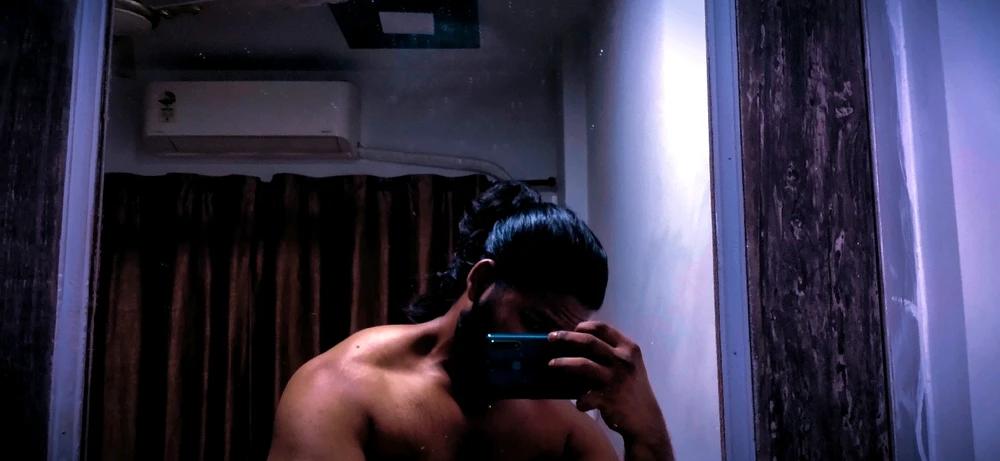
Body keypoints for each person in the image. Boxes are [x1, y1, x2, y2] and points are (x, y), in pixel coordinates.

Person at [267, 181, 674, 461]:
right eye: (532, 321)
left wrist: (647, 428)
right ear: (480, 283)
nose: (542, 348)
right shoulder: (340, 390)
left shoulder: (558, 424)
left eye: (558, 334)